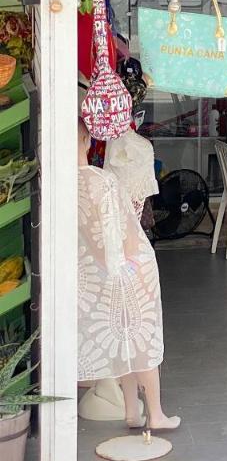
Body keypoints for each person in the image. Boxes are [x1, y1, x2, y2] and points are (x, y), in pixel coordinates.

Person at [76, 121, 179, 431]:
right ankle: (156, 414)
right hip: (129, 267)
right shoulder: (101, 180)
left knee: (122, 339)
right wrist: (131, 264)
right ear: (87, 140)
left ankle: (132, 412)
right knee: (143, 340)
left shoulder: (60, 184)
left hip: (97, 272)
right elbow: (124, 231)